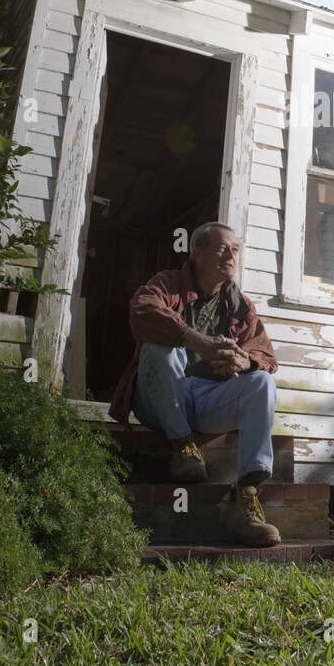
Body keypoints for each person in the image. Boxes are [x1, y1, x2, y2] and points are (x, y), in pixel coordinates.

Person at [109, 222, 281, 546]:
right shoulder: (169, 282)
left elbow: (266, 355)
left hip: (205, 400)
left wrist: (245, 360)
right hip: (159, 398)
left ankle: (247, 496)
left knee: (261, 382)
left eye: (235, 250)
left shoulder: (240, 305)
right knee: (160, 349)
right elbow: (142, 310)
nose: (230, 255)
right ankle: (183, 446)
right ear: (197, 253)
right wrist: (193, 340)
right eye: (221, 248)